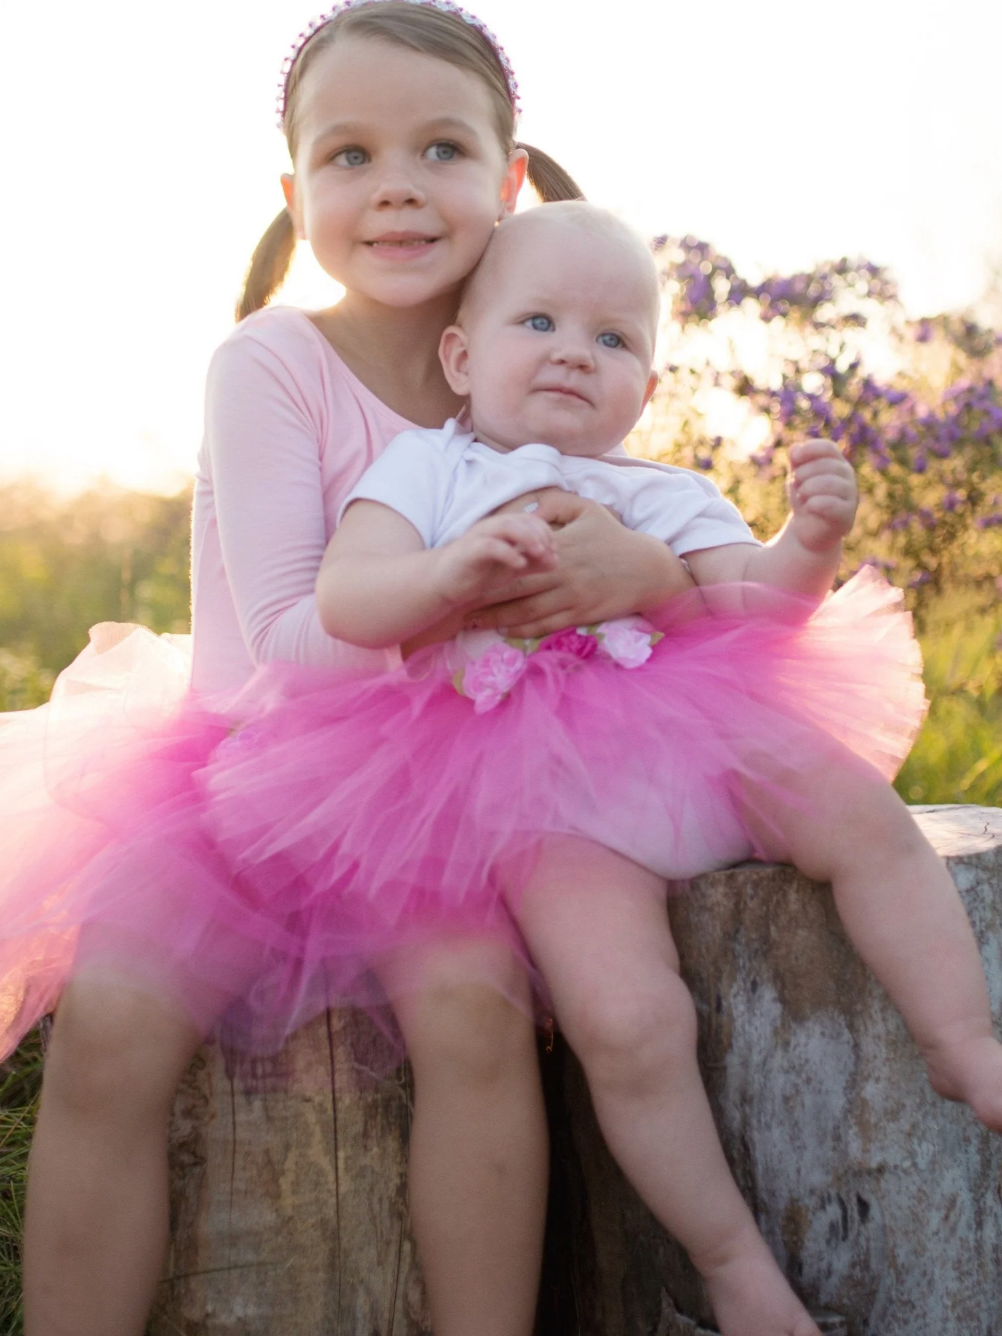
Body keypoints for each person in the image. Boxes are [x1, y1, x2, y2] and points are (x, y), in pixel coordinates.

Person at [4, 0, 697, 1336]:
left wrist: (646, 571)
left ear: (506, 178)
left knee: (474, 1012)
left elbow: (661, 533)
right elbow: (287, 645)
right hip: (237, 773)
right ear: (295, 187)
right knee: (112, 1021)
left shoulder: (526, 356)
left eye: (439, 152)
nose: (395, 190)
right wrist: (460, 589)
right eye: (349, 156)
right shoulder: (269, 362)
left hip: (440, 790)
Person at [204, 201, 1002, 1336]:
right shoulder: (423, 468)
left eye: (615, 337)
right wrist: (445, 576)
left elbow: (753, 609)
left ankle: (963, 1041)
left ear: (647, 385)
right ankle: (730, 1260)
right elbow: (347, 596)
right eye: (540, 321)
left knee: (864, 815)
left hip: (701, 736)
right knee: (624, 1018)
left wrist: (805, 545)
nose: (577, 349)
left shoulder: (664, 490)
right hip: (542, 798)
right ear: (462, 355)